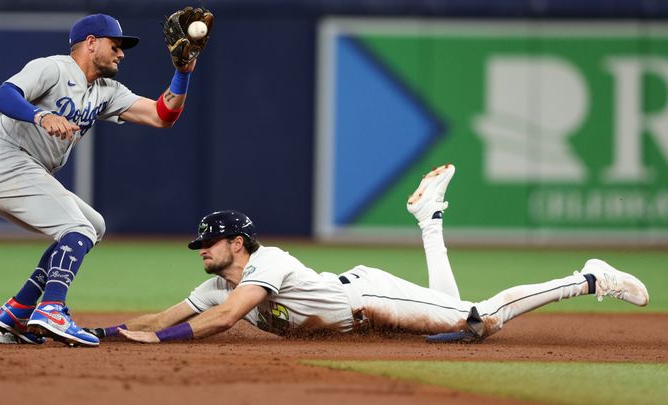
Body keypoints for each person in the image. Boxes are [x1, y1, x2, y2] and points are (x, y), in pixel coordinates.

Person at [91, 164, 649, 344]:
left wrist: (158, 343)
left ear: (235, 243)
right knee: (450, 315)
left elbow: (227, 318)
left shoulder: (267, 262)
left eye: (207, 244)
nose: (201, 252)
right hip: (358, 310)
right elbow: (168, 316)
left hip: (362, 299)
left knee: (476, 321)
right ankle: (429, 219)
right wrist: (110, 335)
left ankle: (588, 278)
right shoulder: (221, 282)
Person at [0, 9, 213, 347]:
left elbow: (163, 115)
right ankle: (52, 308)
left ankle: (19, 308)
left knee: (92, 225)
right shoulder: (53, 68)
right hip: (4, 163)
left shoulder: (105, 90)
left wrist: (182, 72)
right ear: (90, 43)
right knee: (78, 228)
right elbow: (2, 95)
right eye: (114, 45)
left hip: (26, 171)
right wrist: (40, 115)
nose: (120, 53)